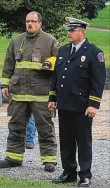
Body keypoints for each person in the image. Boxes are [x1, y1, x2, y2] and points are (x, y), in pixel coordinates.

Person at [0, 11, 59, 172]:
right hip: (18, 93)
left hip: (41, 94)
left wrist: (56, 91)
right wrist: (5, 85)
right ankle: (13, 157)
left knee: (45, 127)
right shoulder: (17, 41)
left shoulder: (50, 41)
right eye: (27, 21)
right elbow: (8, 64)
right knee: (16, 126)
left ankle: (49, 160)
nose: (30, 24)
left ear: (40, 23)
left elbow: (60, 67)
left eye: (33, 21)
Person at [49, 17, 106, 187]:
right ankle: (69, 172)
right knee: (66, 140)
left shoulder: (93, 52)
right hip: (65, 103)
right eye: (68, 30)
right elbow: (56, 76)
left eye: (72, 30)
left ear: (82, 32)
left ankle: (85, 174)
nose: (69, 33)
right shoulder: (64, 50)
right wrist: (52, 98)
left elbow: (98, 81)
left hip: (82, 106)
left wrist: (93, 104)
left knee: (83, 140)